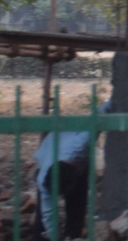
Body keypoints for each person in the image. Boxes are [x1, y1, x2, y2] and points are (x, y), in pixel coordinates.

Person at [33, 99, 112, 239]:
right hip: (49, 150)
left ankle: (73, 234)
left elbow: (98, 115)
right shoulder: (44, 179)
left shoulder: (82, 142)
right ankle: (41, 235)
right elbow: (48, 213)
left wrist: (114, 101)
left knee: (77, 201)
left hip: (75, 159)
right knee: (43, 212)